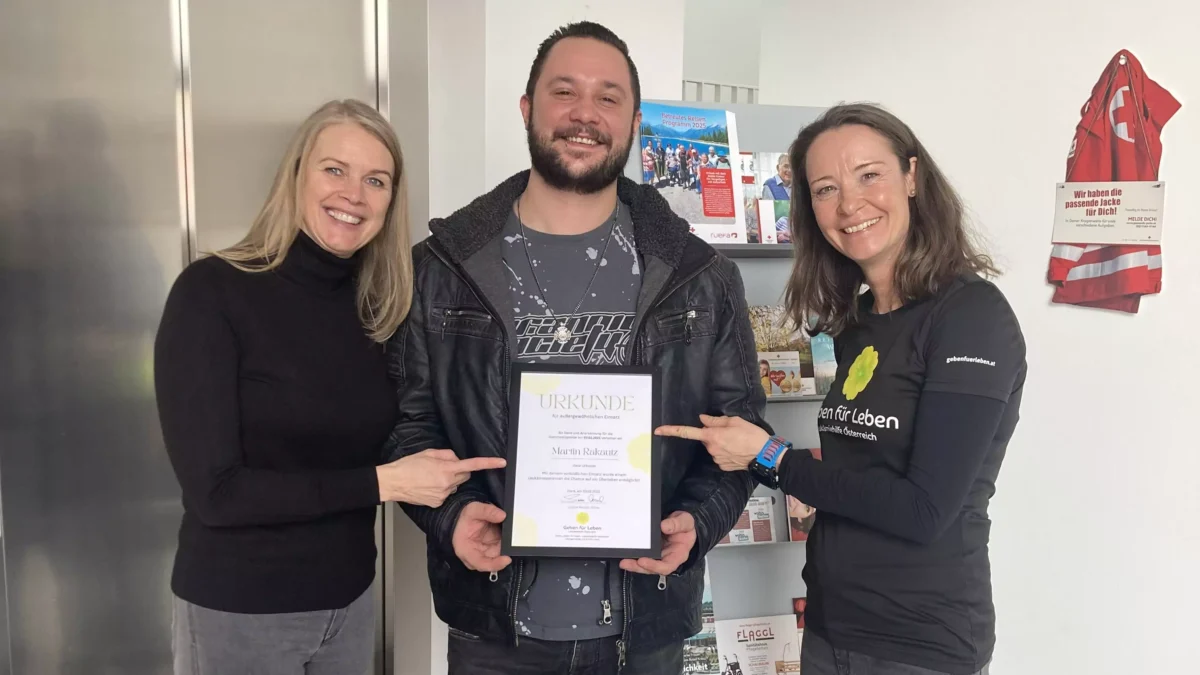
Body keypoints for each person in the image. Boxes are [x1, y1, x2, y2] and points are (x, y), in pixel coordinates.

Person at [384, 21, 768, 675]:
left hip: (642, 630)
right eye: (565, 91)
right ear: (529, 108)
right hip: (493, 634)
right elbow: (406, 426)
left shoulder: (699, 276)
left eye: (608, 96)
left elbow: (740, 434)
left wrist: (695, 524)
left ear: (634, 120)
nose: (584, 113)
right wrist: (450, 519)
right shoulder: (440, 269)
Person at [656, 103, 1026, 675]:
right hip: (830, 625)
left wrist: (769, 456)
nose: (849, 204)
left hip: (920, 642)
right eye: (825, 188)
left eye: (869, 175)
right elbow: (859, 475)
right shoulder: (859, 321)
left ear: (912, 176)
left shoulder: (971, 316)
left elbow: (924, 509)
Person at [154, 99, 505, 675]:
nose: (354, 195)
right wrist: (384, 483)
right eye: (334, 170)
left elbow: (405, 433)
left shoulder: (379, 312)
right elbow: (217, 494)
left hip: (350, 604)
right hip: (241, 609)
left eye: (376, 180)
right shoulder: (211, 294)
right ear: (296, 174)